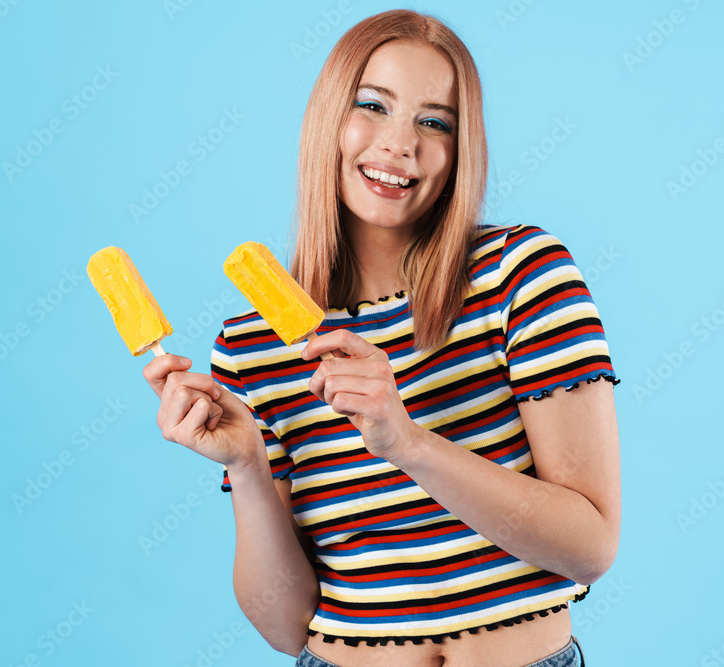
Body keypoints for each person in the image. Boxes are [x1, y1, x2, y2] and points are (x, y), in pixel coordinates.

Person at [144, 9, 621, 667]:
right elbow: (285, 627)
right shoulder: (249, 347)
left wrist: (406, 441)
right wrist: (247, 465)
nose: (400, 144)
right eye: (372, 106)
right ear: (329, 120)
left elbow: (590, 545)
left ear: (460, 150)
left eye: (435, 122)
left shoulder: (521, 275)